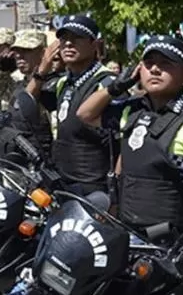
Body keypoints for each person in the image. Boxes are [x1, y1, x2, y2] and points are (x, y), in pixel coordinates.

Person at [77, 35, 183, 258]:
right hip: (127, 233)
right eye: (148, 64)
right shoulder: (132, 110)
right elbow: (85, 114)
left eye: (166, 64)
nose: (155, 70)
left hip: (171, 245)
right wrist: (117, 87)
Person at [27, 13, 118, 195]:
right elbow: (26, 100)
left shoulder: (107, 83)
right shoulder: (63, 82)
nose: (68, 44)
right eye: (64, 39)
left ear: (94, 45)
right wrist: (42, 69)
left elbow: (120, 142)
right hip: (62, 181)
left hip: (94, 187)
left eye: (77, 38)